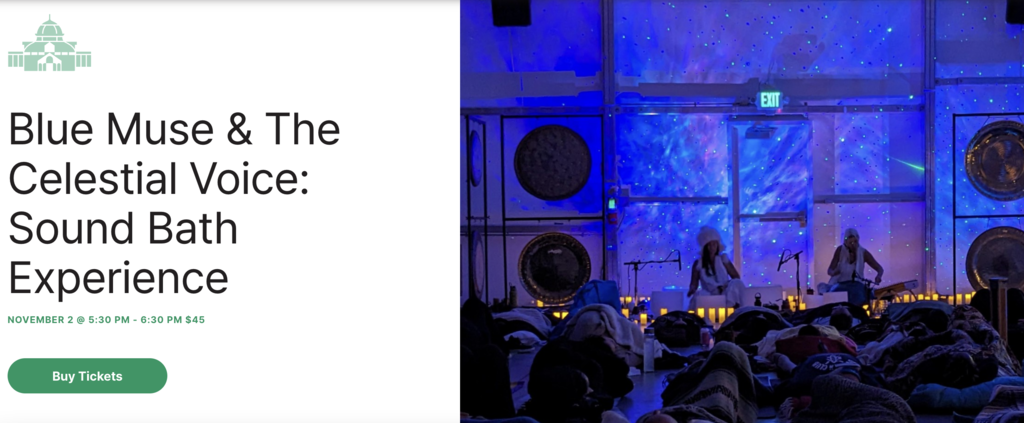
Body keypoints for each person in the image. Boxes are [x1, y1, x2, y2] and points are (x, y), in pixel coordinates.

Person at [688, 226, 745, 309]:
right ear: (704, 246)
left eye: (714, 244)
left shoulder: (723, 259)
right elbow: (694, 283)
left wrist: (726, 286)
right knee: (700, 295)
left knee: (737, 282)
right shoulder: (698, 263)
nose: (712, 247)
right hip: (708, 294)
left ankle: (731, 307)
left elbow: (736, 277)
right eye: (709, 245)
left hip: (725, 293)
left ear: (718, 245)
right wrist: (692, 290)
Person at [818, 228, 883, 295]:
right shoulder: (840, 250)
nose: (853, 245)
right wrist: (834, 272)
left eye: (855, 241)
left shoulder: (863, 253)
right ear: (846, 242)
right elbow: (829, 270)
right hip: (840, 285)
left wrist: (879, 276)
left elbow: (880, 269)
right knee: (822, 288)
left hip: (857, 286)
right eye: (851, 243)